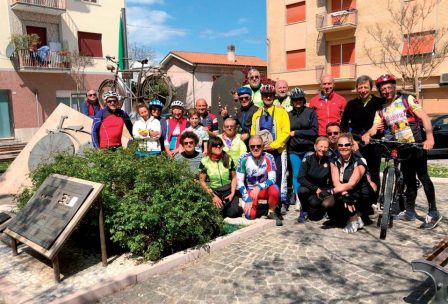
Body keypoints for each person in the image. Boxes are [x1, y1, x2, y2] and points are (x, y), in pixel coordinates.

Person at [362, 74, 442, 229]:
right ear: (380, 91)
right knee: (409, 180)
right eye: (383, 88)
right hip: (401, 147)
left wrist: (430, 138)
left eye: (389, 87)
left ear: (394, 86)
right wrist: (367, 134)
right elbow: (374, 127)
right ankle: (409, 211)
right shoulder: (382, 110)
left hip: (416, 145)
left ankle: (433, 212)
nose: (386, 90)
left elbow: (425, 118)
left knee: (423, 177)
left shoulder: (407, 100)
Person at [251, 84, 290, 215]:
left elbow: (286, 132)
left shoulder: (281, 112)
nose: (268, 97)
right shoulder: (256, 114)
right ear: (262, 97)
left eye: (270, 95)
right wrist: (259, 147)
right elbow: (253, 133)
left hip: (278, 151)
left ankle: (282, 202)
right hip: (263, 152)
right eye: (265, 95)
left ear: (274, 97)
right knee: (265, 177)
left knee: (280, 176)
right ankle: (270, 203)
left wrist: (274, 145)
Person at [341, 75, 385, 192]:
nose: (363, 90)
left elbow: (385, 118)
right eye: (360, 87)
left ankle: (373, 200)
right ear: (356, 89)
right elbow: (344, 124)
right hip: (357, 143)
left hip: (375, 143)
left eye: (366, 87)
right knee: (358, 170)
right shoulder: (351, 104)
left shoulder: (379, 102)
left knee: (374, 172)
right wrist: (351, 141)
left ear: (371, 88)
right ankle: (359, 197)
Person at [329, 133, 375, 233]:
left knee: (366, 192)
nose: (343, 147)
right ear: (337, 147)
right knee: (329, 204)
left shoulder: (360, 160)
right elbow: (336, 182)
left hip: (360, 193)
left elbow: (351, 184)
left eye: (347, 145)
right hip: (345, 191)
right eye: (340, 145)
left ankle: (356, 217)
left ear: (351, 146)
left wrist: (331, 191)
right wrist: (345, 195)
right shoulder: (334, 161)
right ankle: (353, 217)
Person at [236, 136, 282, 226]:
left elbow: (272, 179)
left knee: (275, 189)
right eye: (252, 146)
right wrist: (247, 199)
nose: (255, 148)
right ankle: (261, 208)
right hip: (250, 190)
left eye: (258, 146)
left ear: (263, 146)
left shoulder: (269, 157)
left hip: (263, 189)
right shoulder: (243, 158)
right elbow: (239, 181)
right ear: (249, 147)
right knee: (250, 216)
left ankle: (271, 212)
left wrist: (259, 187)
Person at [287, 88, 318, 207]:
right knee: (295, 174)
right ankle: (298, 197)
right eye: (295, 99)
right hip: (294, 149)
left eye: (300, 99)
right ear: (292, 101)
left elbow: (314, 131)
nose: (298, 101)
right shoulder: (289, 114)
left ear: (303, 99)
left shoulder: (310, 112)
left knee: (308, 174)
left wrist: (296, 133)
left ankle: (309, 196)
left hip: (308, 148)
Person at [199, 136, 242, 218]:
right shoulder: (204, 161)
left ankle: (228, 205)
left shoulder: (228, 158)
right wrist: (213, 196)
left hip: (228, 190)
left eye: (220, 145)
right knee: (218, 213)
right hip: (215, 191)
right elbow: (202, 181)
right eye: (215, 145)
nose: (218, 147)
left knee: (234, 213)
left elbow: (234, 177)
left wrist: (232, 193)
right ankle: (222, 206)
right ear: (209, 147)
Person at [297, 137, 332, 223]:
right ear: (315, 146)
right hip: (309, 188)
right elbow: (300, 178)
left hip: (322, 190)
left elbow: (332, 180)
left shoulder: (330, 161)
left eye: (325, 147)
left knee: (314, 217)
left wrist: (327, 191)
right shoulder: (307, 159)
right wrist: (315, 188)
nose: (323, 149)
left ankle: (321, 209)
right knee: (302, 190)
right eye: (320, 146)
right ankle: (304, 210)